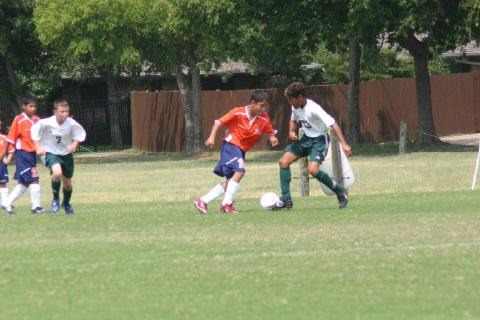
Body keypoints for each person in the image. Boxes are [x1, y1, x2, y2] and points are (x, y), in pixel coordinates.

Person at [194, 90, 279, 214]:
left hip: (241, 150)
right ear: (253, 102)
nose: (263, 109)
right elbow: (218, 122)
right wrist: (212, 137)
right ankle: (227, 204)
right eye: (261, 105)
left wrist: (272, 138)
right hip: (231, 146)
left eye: (265, 106)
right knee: (240, 170)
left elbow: (270, 131)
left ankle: (202, 201)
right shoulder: (237, 112)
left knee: (230, 182)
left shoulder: (264, 118)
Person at [277, 82, 352, 209]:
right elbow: (293, 119)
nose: (290, 103)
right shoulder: (295, 107)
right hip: (306, 139)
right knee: (283, 162)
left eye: (291, 100)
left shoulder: (314, 109)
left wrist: (344, 144)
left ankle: (340, 191)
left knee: (313, 170)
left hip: (319, 140)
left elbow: (333, 124)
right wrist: (291, 131)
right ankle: (286, 199)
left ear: (300, 98)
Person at [31, 99, 86, 215]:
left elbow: (80, 134)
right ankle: (55, 199)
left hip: (66, 154)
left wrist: (74, 145)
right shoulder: (46, 123)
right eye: (62, 111)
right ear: (55, 111)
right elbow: (34, 133)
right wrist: (38, 148)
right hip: (51, 153)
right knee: (57, 173)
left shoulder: (71, 123)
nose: (65, 114)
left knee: (67, 183)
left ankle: (66, 203)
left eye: (66, 111)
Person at [1, 96, 44, 215]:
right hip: (23, 154)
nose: (33, 108)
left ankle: (7, 203)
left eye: (35, 106)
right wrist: (3, 154)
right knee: (32, 179)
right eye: (30, 106)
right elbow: (10, 139)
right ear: (24, 106)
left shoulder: (37, 120)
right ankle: (35, 207)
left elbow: (41, 137)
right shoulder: (19, 120)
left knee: (27, 181)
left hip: (32, 154)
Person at [0, 121, 15, 208]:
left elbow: (11, 150)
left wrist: (8, 159)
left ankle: (5, 203)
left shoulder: (4, 138)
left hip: (1, 164)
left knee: (2, 183)